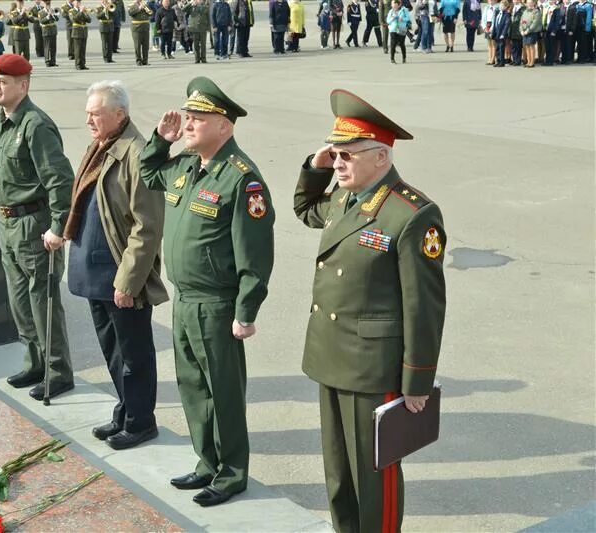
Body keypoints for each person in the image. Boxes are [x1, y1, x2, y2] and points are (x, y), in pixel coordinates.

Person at [293, 88, 446, 533]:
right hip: (331, 356)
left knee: (373, 477)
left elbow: (424, 306)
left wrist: (416, 380)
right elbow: (304, 208)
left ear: (380, 157)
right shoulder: (344, 197)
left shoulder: (411, 215)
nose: (337, 163)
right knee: (339, 473)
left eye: (346, 155)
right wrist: (315, 166)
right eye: (334, 153)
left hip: (373, 368)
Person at [139, 76, 275, 508]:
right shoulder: (183, 167)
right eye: (189, 116)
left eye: (200, 118)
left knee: (224, 391)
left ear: (226, 126)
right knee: (193, 387)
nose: (190, 123)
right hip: (185, 300)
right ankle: (206, 462)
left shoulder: (242, 180)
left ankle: (232, 473)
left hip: (218, 304)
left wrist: (246, 309)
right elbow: (147, 172)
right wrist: (161, 141)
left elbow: (254, 254)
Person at [65, 80, 166, 451]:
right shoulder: (101, 147)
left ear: (119, 114)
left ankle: (141, 421)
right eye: (88, 112)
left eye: (96, 113)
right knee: (112, 349)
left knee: (134, 352)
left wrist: (129, 280)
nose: (88, 119)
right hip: (95, 270)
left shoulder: (136, 154)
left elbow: (147, 226)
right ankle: (125, 410)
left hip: (119, 273)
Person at [0, 53, 76, 401]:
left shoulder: (36, 126)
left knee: (43, 300)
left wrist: (58, 227)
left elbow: (59, 181)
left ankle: (58, 372)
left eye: (3, 82)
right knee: (19, 300)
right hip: (7, 222)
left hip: (34, 225)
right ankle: (34, 362)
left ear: (23, 85)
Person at [128, 0, 151, 64]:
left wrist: (146, 8)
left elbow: (150, 13)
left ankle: (145, 61)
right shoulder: (131, 5)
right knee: (137, 46)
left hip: (145, 28)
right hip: (137, 28)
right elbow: (130, 13)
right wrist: (139, 8)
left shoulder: (145, 4)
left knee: (146, 46)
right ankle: (138, 60)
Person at [70, 0, 90, 69]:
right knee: (77, 49)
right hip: (77, 32)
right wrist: (81, 11)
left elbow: (89, 20)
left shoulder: (83, 11)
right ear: (73, 3)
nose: (78, 3)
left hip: (84, 32)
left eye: (79, 2)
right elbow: (74, 19)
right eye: (77, 2)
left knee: (83, 49)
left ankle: (83, 64)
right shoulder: (71, 11)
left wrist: (85, 13)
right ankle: (78, 65)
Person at [491, 0, 510, 64]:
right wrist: (493, 32)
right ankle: (498, 61)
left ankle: (502, 62)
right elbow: (495, 23)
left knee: (501, 48)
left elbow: (506, 25)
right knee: (497, 48)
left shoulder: (507, 14)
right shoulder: (498, 13)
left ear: (506, 7)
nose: (501, 7)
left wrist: (503, 34)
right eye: (500, 5)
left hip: (502, 34)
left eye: (502, 6)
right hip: (496, 33)